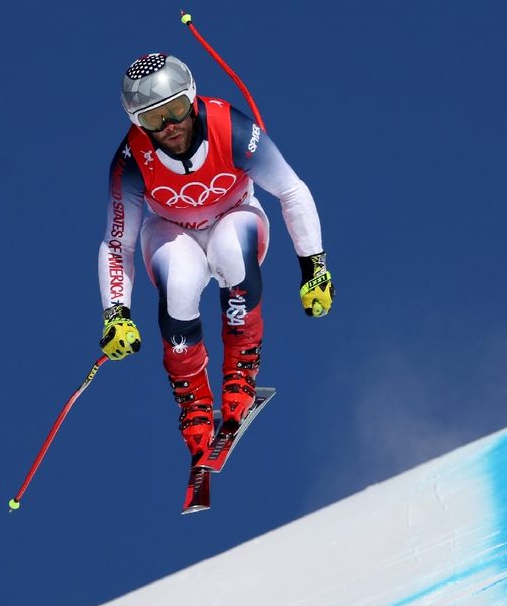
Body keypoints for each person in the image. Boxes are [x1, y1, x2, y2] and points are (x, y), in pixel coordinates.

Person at [97, 52, 334, 465]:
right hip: (171, 230)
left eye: (175, 110)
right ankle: (194, 403)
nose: (170, 127)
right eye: (154, 119)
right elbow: (119, 243)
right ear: (137, 123)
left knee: (231, 249)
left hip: (237, 214)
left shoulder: (231, 128)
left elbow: (292, 191)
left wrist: (314, 268)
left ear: (191, 98)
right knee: (180, 283)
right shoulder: (131, 161)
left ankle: (240, 371)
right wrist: (115, 313)